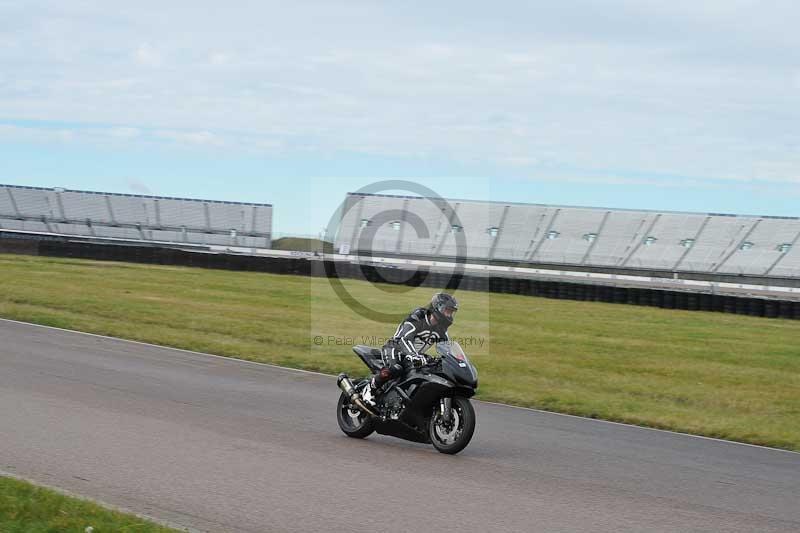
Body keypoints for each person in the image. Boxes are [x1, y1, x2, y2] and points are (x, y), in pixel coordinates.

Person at [362, 292, 459, 406]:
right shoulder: (418, 317)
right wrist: (413, 355)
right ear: (438, 308)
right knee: (395, 368)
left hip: (415, 354)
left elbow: (447, 347)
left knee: (430, 372)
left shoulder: (441, 329)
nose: (449, 315)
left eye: (451, 312)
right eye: (447, 311)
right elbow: (404, 339)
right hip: (395, 348)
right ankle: (370, 388)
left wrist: (456, 362)